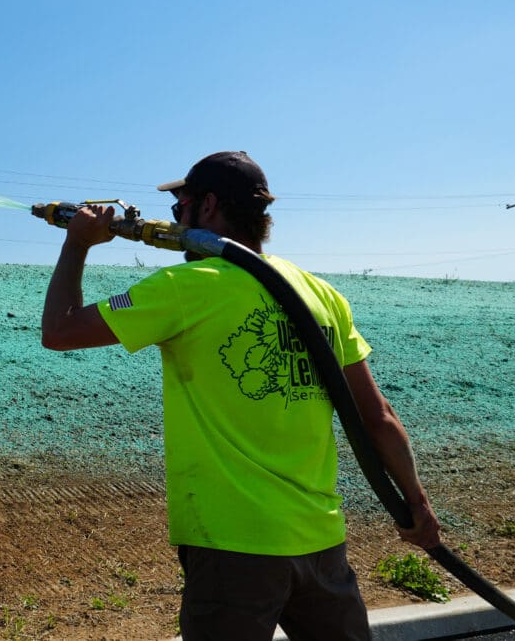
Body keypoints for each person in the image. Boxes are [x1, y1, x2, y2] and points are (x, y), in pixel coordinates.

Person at [40, 151, 441, 641]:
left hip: (233, 546)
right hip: (321, 542)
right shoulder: (320, 293)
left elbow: (60, 331)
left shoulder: (184, 286)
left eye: (178, 207)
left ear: (207, 207)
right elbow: (377, 416)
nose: (172, 220)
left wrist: (77, 243)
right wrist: (417, 503)